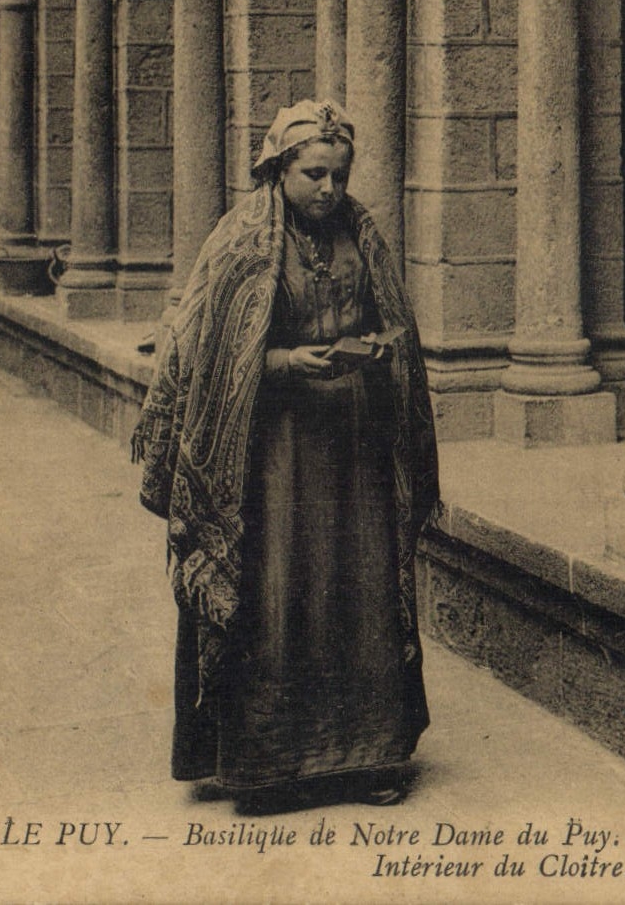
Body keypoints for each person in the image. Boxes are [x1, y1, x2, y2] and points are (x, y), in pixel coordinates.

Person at [131, 99, 439, 813]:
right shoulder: (241, 240)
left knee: (360, 593)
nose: (329, 190)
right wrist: (281, 362)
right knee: (276, 597)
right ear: (278, 169)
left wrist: (379, 352)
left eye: (338, 175)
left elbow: (393, 324)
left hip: (353, 451)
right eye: (313, 175)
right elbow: (212, 356)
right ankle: (267, 768)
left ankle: (368, 758)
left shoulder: (363, 236)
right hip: (270, 460)